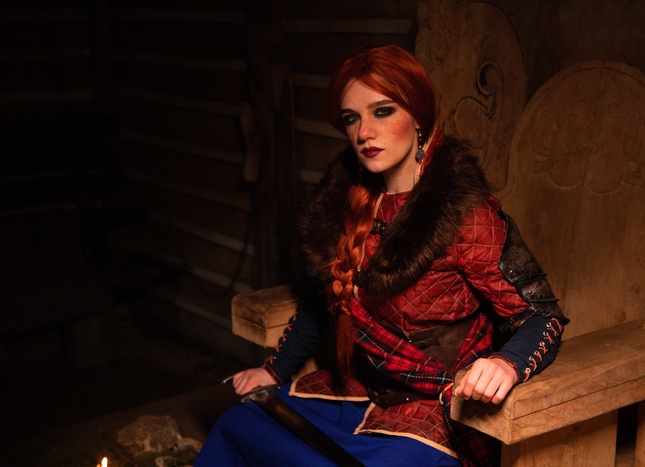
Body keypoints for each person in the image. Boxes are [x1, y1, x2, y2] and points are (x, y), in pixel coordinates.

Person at [194, 45, 568, 467]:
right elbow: (322, 299)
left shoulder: (467, 216)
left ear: (419, 116)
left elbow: (543, 317)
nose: (364, 132)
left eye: (383, 111)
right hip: (355, 393)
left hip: (434, 411)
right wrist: (274, 370)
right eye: (352, 118)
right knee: (239, 423)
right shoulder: (344, 203)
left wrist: (507, 363)